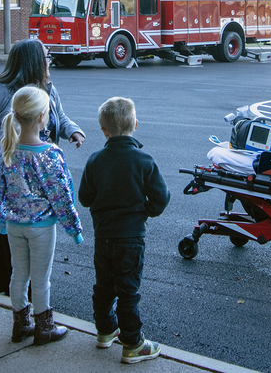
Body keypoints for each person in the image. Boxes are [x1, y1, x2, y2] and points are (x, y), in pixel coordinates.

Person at [0, 39, 84, 295]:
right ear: (34, 62)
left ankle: (29, 308)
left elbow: (60, 115)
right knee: (0, 255)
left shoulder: (46, 88)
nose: (50, 61)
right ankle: (4, 305)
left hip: (36, 195)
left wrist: (72, 130)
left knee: (32, 261)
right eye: (46, 56)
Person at [78, 96, 171, 364]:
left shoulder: (95, 160)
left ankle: (105, 330)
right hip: (131, 238)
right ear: (135, 125)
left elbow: (85, 197)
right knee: (128, 290)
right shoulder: (144, 160)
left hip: (103, 236)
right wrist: (145, 211)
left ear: (103, 130)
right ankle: (133, 343)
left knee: (104, 285)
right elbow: (161, 199)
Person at [0, 85, 82, 346]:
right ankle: (45, 328)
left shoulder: (7, 149)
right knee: (41, 278)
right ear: (43, 117)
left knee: (18, 274)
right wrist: (73, 228)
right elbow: (61, 195)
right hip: (41, 226)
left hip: (14, 224)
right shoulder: (49, 154)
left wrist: (1, 219)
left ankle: (20, 325)